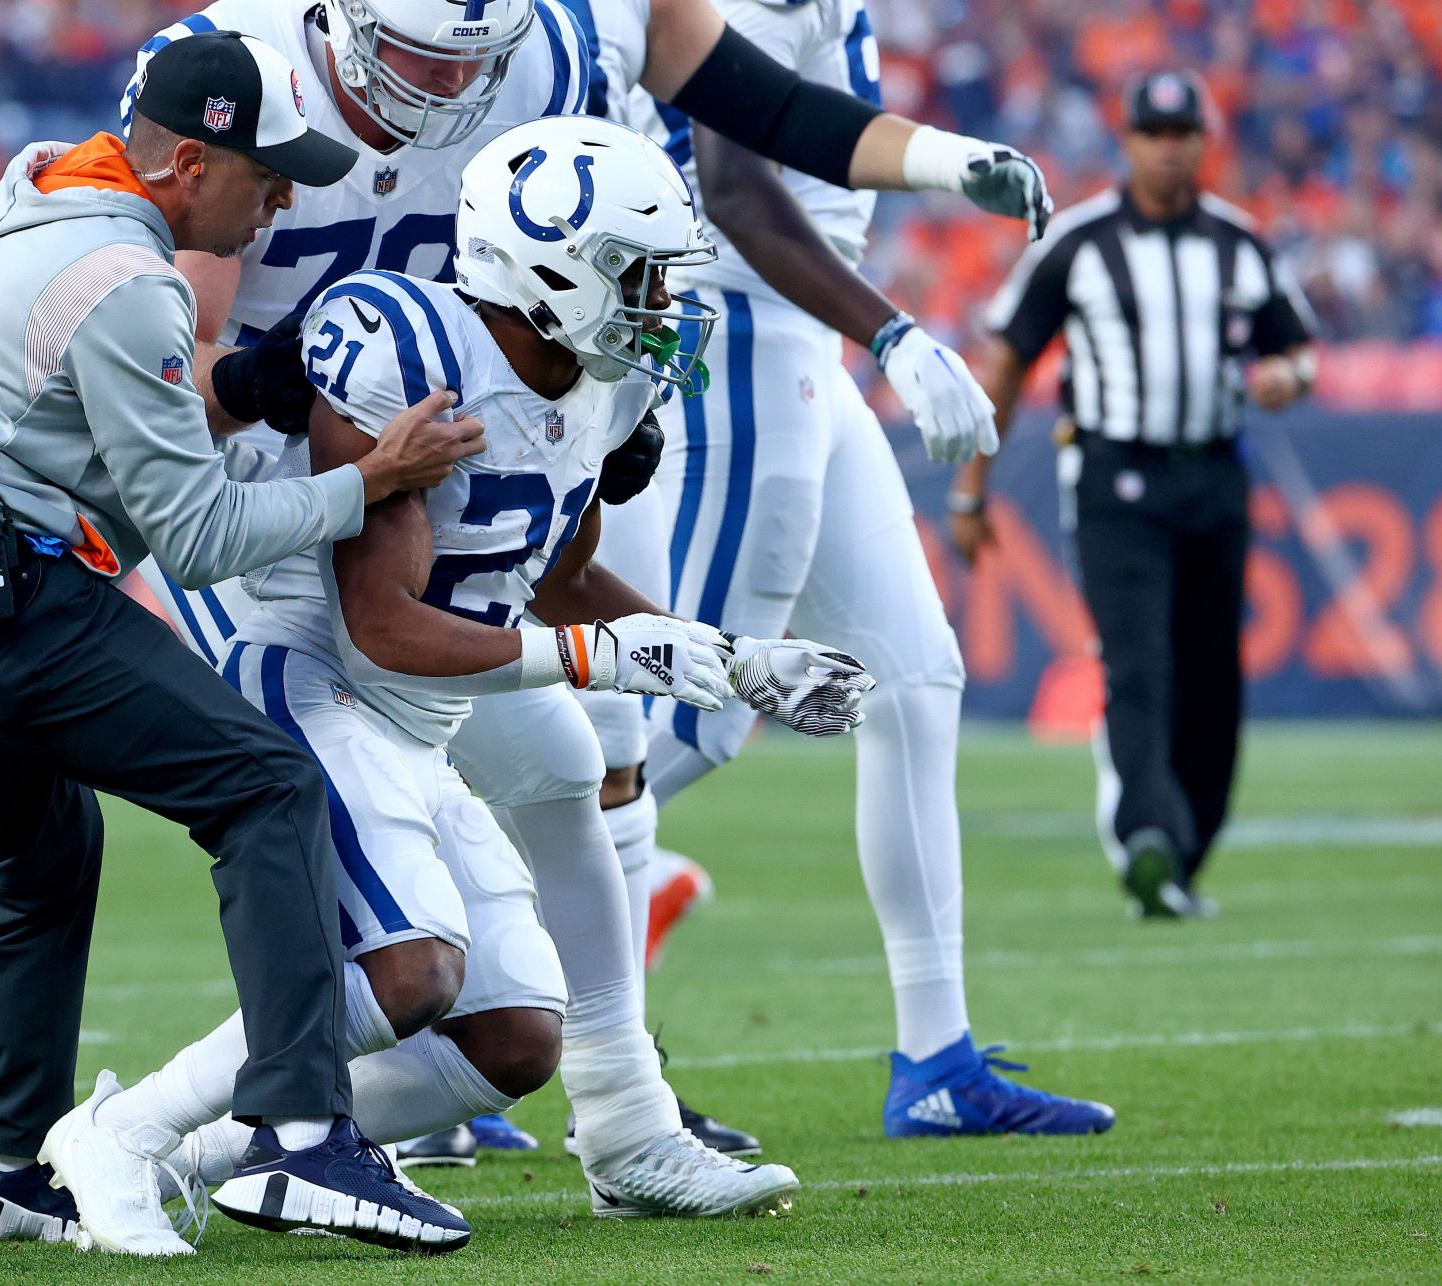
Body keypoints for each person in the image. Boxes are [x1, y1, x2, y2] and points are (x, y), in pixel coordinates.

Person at [116, 0, 1056, 1172]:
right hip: (254, 490)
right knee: (386, 868)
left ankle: (624, 1117)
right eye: (415, 53)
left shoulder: (559, 40)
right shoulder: (234, 70)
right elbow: (169, 385)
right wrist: (305, 374)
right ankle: (181, 1130)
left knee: (580, 759)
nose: (443, 86)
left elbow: (762, 107)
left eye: (473, 58)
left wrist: (941, 161)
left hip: (448, 448)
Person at [41, 116, 871, 1252]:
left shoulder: (605, 384)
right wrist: (610, 658)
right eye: (636, 275)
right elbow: (379, 625)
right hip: (316, 671)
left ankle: (201, 1150)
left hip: (418, 711)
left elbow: (553, 577)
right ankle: (126, 1129)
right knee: (411, 971)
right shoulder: (406, 348)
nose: (659, 305)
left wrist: (731, 660)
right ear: (546, 265)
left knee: (516, 1039)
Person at [0, 32, 481, 1255]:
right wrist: (373, 476)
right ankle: (300, 1134)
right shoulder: (127, 272)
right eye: (265, 170)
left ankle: (1, 1165)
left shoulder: (46, 208)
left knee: (48, 845)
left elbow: (88, 418)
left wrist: (254, 385)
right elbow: (204, 530)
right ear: (185, 161)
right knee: (268, 784)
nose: (281, 195)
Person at [617, 0, 1114, 1139]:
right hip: (737, 332)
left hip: (797, 340)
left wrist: (945, 165)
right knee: (695, 715)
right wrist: (894, 330)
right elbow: (733, 186)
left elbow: (820, 127)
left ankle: (936, 1057)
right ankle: (465, 996)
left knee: (914, 677)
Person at [953, 70, 1317, 919]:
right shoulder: (1079, 243)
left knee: (1214, 677)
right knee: (1139, 662)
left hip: (1214, 475)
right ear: (1129, 142)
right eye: (1152, 132)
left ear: (1202, 140)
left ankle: (1184, 849)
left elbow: (1297, 349)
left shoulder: (1240, 243)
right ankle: (1147, 833)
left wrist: (1286, 378)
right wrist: (973, 488)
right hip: (1117, 476)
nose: (1167, 147)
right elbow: (1008, 358)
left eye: (1181, 131)